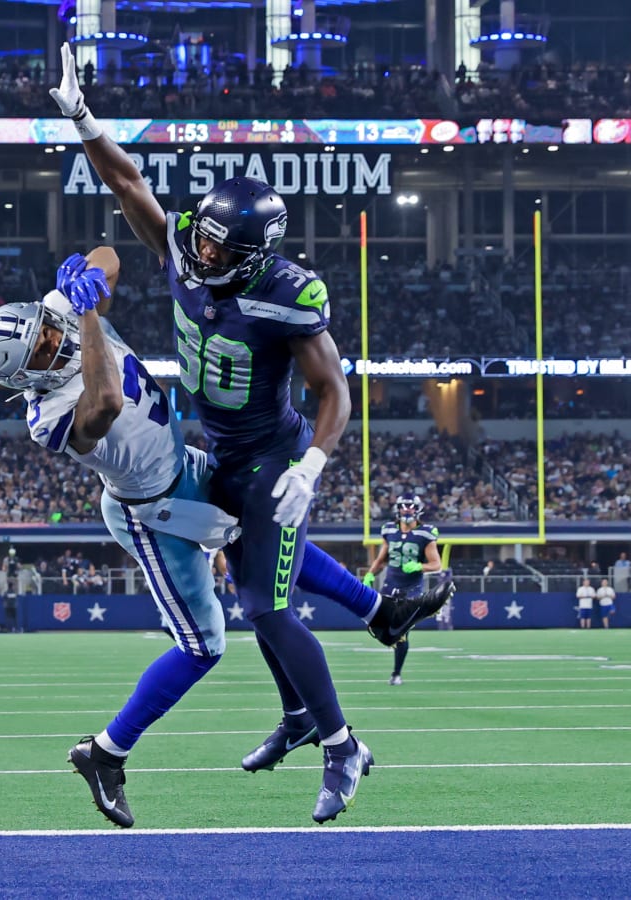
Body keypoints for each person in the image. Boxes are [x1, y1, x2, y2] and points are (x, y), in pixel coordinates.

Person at [50, 48, 452, 824]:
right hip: (221, 453)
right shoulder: (185, 256)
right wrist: (83, 120)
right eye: (197, 240)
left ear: (255, 255)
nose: (200, 254)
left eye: (216, 249)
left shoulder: (286, 294)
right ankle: (368, 630)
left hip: (271, 456)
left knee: (267, 608)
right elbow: (128, 183)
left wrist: (312, 463)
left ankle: (342, 746)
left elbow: (334, 388)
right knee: (259, 583)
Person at [0, 246, 240, 828]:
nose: (53, 339)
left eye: (47, 330)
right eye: (42, 348)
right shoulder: (48, 416)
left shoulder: (56, 312)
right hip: (155, 511)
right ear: (25, 376)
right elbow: (106, 402)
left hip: (180, 465)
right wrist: (89, 313)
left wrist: (89, 277)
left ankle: (377, 609)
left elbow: (111, 254)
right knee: (204, 646)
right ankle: (104, 752)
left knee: (270, 520)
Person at [362, 494, 446, 685]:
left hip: (412, 587)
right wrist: (370, 574)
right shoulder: (389, 529)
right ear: (397, 509)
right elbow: (382, 558)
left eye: (411, 507)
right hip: (390, 584)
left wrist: (419, 566)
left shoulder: (425, 533)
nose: (407, 511)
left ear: (418, 510)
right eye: (403, 507)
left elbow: (436, 565)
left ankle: (396, 673)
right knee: (381, 624)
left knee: (401, 630)